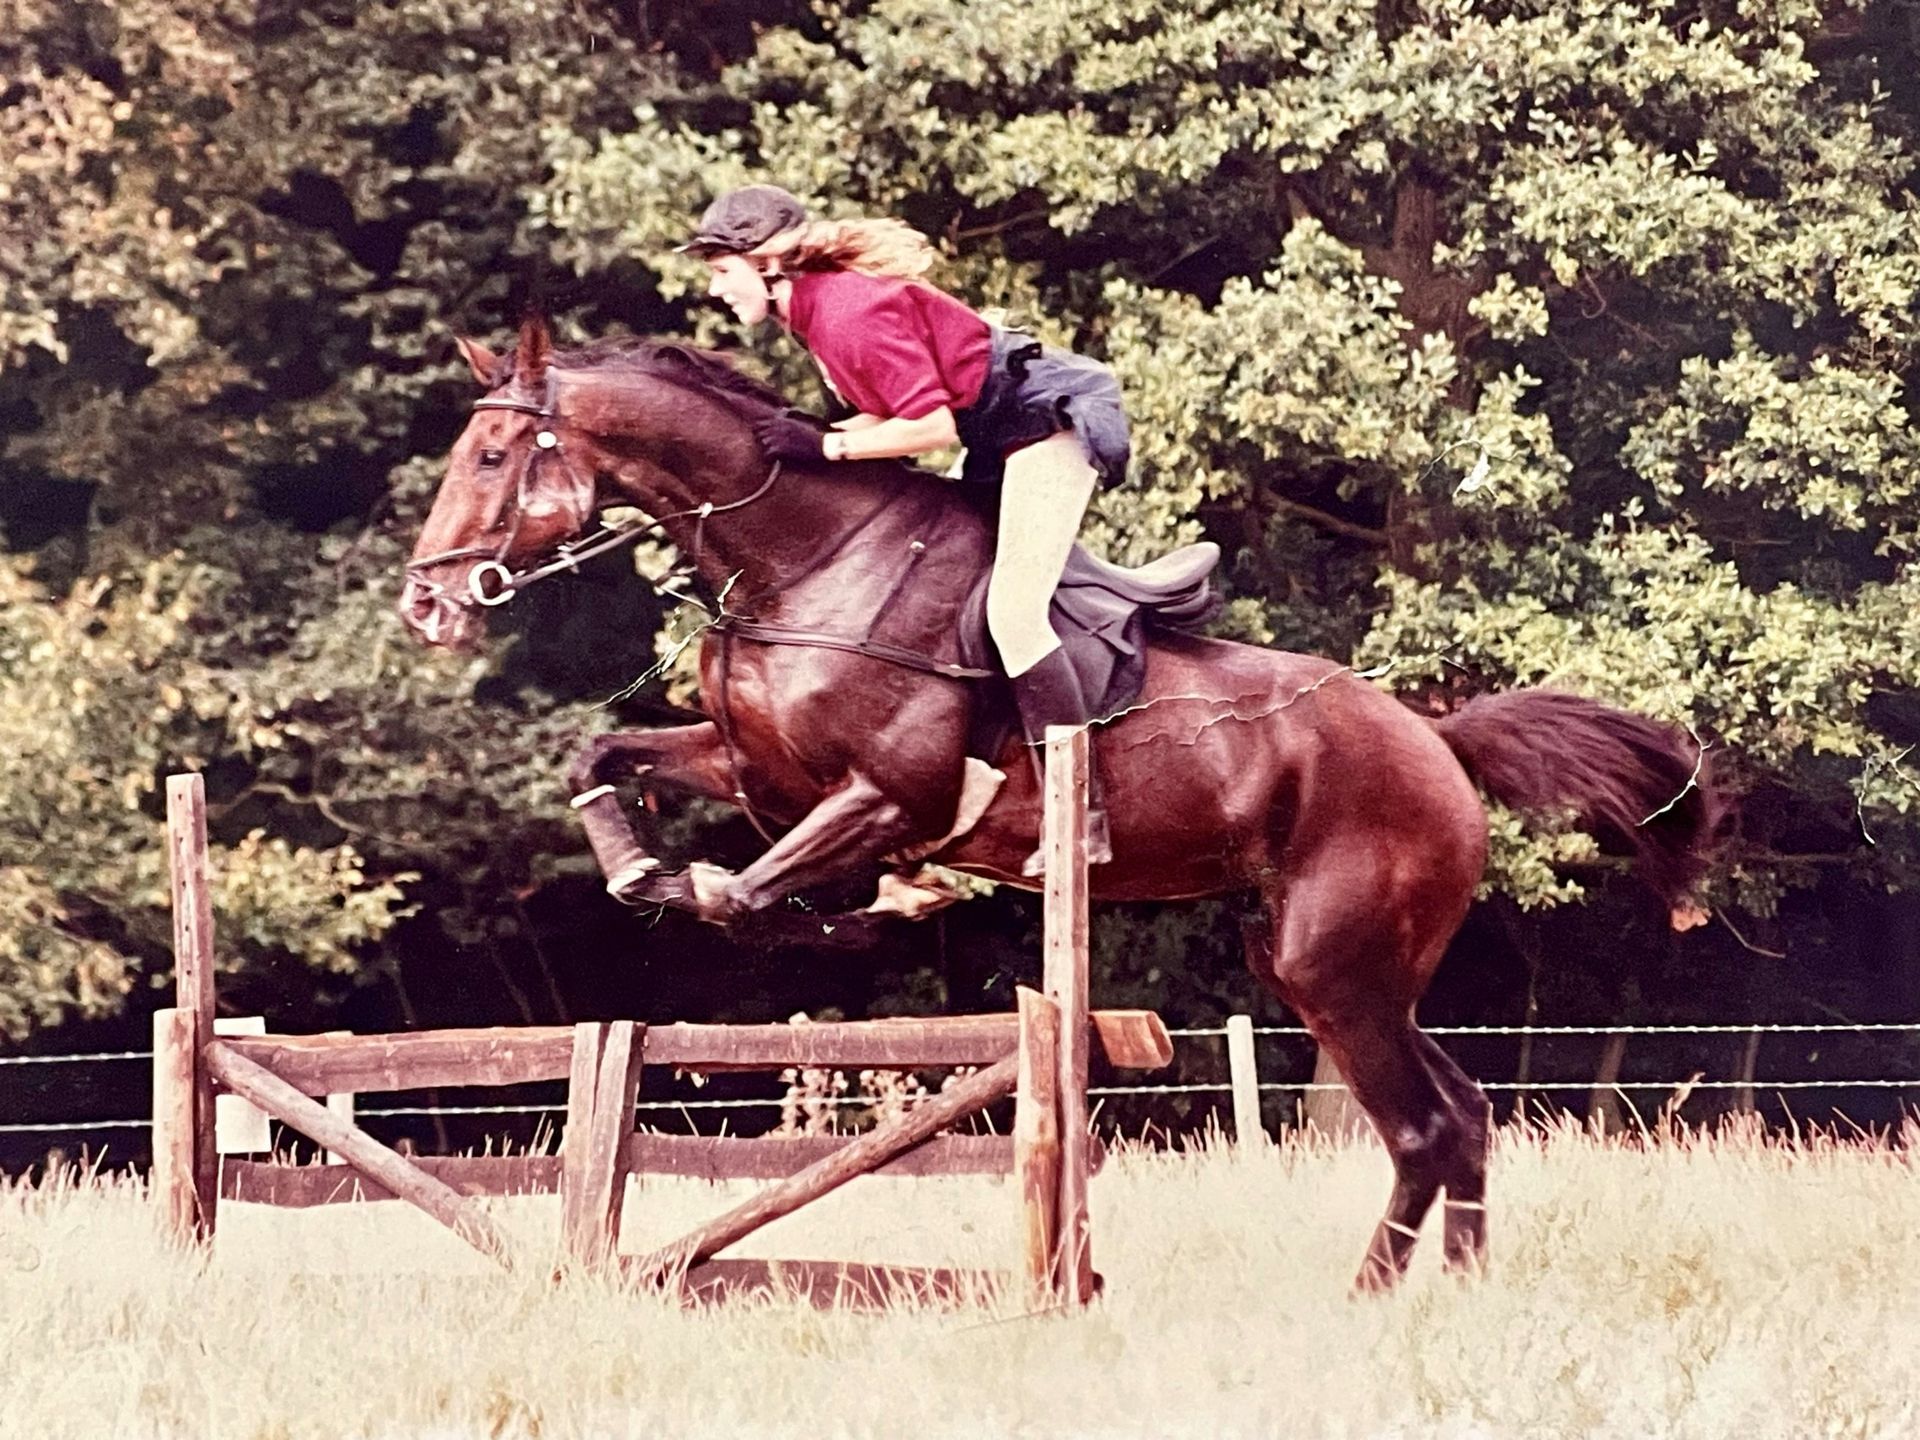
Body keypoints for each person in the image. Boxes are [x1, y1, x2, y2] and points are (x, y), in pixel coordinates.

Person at [679, 183, 1126, 873]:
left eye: (720, 270)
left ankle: (1081, 812)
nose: (715, 289)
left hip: (1045, 432)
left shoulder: (846, 313)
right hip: (996, 439)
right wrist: (817, 434)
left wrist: (826, 448)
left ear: (766, 264)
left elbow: (930, 429)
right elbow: (891, 414)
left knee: (1012, 614)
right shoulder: (814, 315)